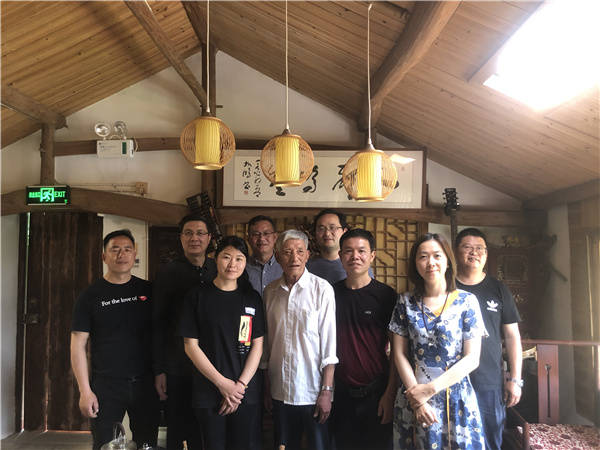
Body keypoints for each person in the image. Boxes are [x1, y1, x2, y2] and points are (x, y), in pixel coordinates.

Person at [389, 233, 486, 450]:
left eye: (437, 255)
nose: (430, 262)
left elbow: (472, 358)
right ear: (415, 264)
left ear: (448, 261)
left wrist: (430, 390)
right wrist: (418, 400)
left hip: (456, 396)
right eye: (423, 256)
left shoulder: (467, 301)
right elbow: (399, 354)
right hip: (413, 396)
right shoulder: (405, 302)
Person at [71, 229, 159, 450]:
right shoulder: (90, 296)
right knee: (105, 444)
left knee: (147, 444)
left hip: (145, 383)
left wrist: (161, 373)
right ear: (104, 256)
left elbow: (161, 336)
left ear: (134, 255)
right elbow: (78, 344)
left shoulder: (148, 291)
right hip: (106, 386)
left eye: (127, 249)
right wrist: (84, 390)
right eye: (115, 250)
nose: (122, 254)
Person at [180, 236, 265, 450]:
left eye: (239, 258)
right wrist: (222, 384)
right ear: (215, 259)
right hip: (209, 391)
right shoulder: (197, 295)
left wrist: (239, 387)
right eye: (226, 257)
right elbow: (190, 346)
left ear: (245, 262)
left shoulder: (251, 298)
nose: (232, 264)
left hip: (244, 393)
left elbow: (257, 346)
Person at [263, 230, 338, 450]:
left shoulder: (322, 289)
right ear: (278, 256)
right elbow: (266, 344)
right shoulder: (270, 292)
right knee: (283, 446)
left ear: (307, 255)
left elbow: (330, 346)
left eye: (299, 251)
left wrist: (327, 391)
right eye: (287, 252)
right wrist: (266, 387)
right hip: (279, 389)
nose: (294, 258)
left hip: (312, 390)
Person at [152, 214, 217, 450]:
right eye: (188, 233)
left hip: (214, 364)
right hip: (177, 365)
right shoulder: (168, 273)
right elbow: (157, 323)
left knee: (210, 428)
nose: (194, 238)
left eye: (200, 233)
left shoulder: (218, 269)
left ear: (209, 238)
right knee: (179, 428)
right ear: (180, 238)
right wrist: (159, 370)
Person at [455, 228, 522, 450]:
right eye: (467, 247)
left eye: (480, 248)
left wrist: (515, 379)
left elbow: (512, 336)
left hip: (489, 381)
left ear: (486, 254)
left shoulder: (498, 289)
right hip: (450, 379)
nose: (474, 252)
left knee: (490, 440)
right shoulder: (445, 286)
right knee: (452, 440)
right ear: (455, 251)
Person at [332, 229, 397, 450]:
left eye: (361, 251)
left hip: (376, 392)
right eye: (348, 251)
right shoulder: (330, 294)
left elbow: (397, 351)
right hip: (340, 394)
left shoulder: (386, 296)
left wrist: (390, 394)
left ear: (372, 255)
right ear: (340, 256)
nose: (355, 257)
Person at [308, 209, 373, 284]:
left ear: (344, 231)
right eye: (321, 229)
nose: (327, 233)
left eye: (332, 228)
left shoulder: (357, 264)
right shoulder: (306, 267)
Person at [246, 215, 282, 296]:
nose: (261, 238)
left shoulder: (285, 266)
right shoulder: (241, 267)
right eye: (256, 234)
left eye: (266, 233)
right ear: (248, 239)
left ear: (275, 237)